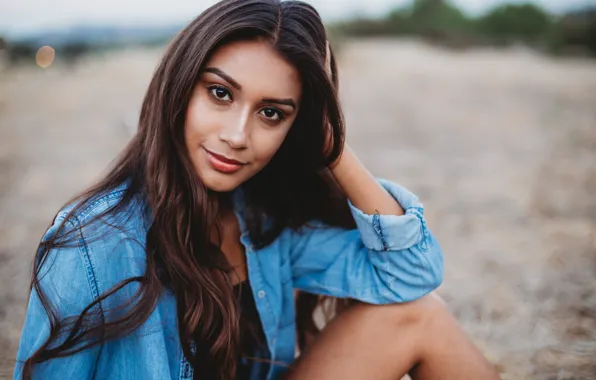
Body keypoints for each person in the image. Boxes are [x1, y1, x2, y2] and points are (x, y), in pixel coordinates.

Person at [14, 0, 500, 379]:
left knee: (420, 315)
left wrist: (332, 149)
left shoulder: (264, 222)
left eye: (273, 113)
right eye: (220, 93)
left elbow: (412, 274)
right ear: (180, 88)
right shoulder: (93, 243)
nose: (238, 135)